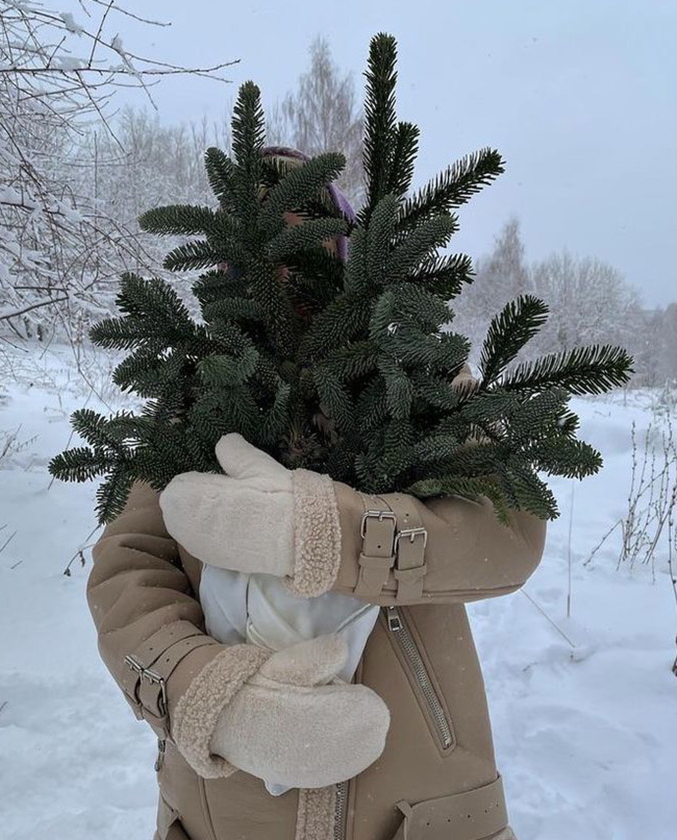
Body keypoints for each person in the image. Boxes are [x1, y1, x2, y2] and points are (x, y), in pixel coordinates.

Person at [86, 150, 547, 840]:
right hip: (222, 814)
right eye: (263, 248)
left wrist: (327, 533)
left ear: (341, 248)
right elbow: (129, 570)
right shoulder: (197, 397)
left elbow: (509, 530)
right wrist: (209, 697)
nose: (285, 271)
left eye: (304, 240)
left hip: (420, 812)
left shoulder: (419, 375)